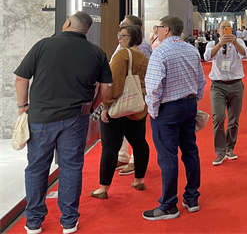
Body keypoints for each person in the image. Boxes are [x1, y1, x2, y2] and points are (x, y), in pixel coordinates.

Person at [14, 12, 112, 234]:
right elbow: (106, 86)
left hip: (41, 117)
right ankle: (69, 221)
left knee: (37, 168)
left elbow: (22, 77)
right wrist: (93, 107)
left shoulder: (43, 45)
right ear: (86, 29)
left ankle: (33, 222)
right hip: (76, 118)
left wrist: (22, 106)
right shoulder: (96, 52)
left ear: (67, 23)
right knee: (71, 167)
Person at [143, 16, 206, 220]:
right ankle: (192, 197)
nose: (157, 30)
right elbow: (201, 81)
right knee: (190, 151)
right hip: (189, 105)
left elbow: (154, 87)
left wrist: (153, 111)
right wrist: (193, 100)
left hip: (167, 109)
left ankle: (169, 204)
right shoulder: (191, 50)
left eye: (159, 27)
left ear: (167, 30)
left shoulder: (160, 52)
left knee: (167, 156)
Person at [91, 24, 150, 199]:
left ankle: (103, 188)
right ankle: (139, 181)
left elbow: (114, 83)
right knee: (139, 143)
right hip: (137, 106)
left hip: (118, 106)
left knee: (110, 147)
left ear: (132, 38)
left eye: (123, 35)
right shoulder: (143, 57)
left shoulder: (122, 54)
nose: (119, 38)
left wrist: (105, 105)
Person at [204, 20, 247, 166]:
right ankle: (220, 151)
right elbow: (207, 57)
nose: (226, 30)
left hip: (236, 84)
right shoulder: (212, 44)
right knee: (218, 117)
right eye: (223, 27)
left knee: (233, 119)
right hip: (218, 85)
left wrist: (235, 42)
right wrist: (220, 44)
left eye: (228, 27)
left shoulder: (238, 42)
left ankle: (230, 148)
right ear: (218, 31)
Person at [111, 15, 152, 177]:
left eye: (124, 23)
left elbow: (141, 70)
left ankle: (135, 161)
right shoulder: (124, 42)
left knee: (135, 131)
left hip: (133, 91)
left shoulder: (141, 46)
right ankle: (122, 157)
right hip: (124, 90)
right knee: (124, 126)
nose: (120, 24)